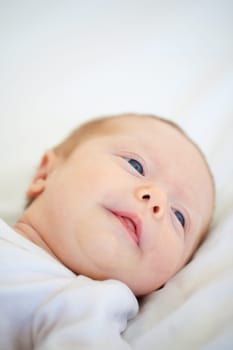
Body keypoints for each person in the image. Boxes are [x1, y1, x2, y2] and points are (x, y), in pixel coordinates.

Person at [0, 113, 215, 350]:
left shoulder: (88, 305)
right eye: (135, 165)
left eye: (179, 217)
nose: (158, 200)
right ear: (45, 173)